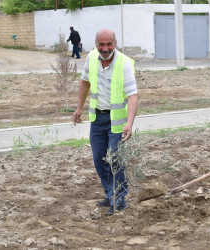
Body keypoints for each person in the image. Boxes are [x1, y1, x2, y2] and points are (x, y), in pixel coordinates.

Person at [73, 29, 138, 216]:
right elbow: (84, 83)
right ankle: (110, 194)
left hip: (116, 122)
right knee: (99, 159)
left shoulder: (124, 63)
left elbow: (132, 96)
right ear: (96, 44)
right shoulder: (91, 58)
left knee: (116, 160)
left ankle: (119, 199)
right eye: (101, 44)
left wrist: (129, 123)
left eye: (109, 44)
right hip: (97, 119)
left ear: (115, 44)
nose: (105, 48)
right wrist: (79, 109)